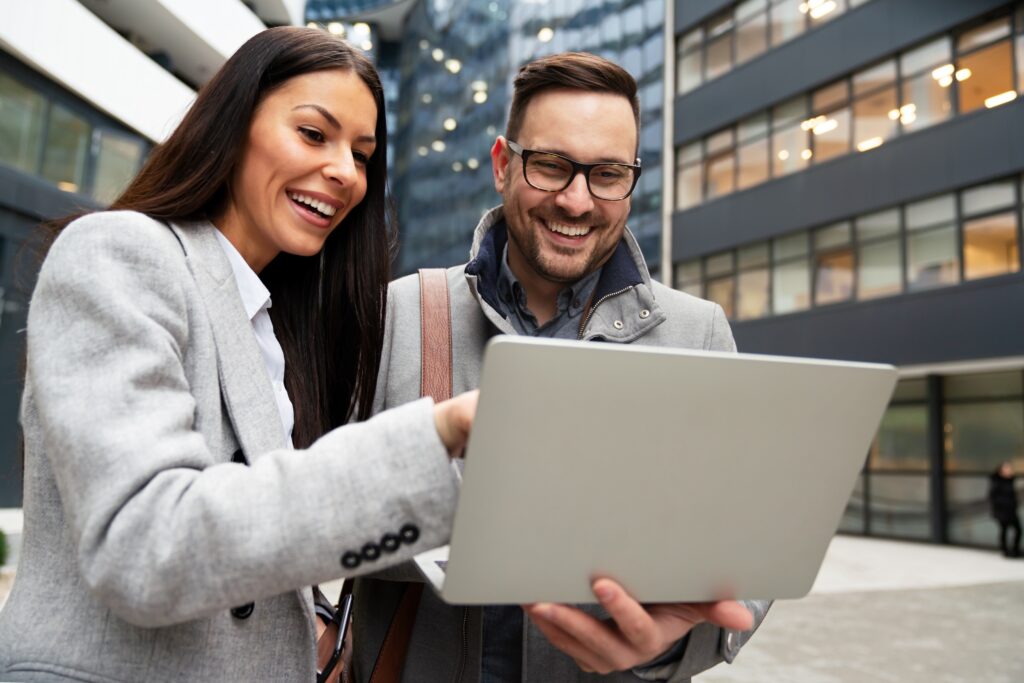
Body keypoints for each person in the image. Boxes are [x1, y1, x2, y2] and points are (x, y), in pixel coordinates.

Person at [0, 27, 477, 682]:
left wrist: (309, 620)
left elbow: (255, 530)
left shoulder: (274, 324)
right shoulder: (119, 254)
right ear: (232, 126)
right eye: (314, 134)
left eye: (363, 155)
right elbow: (146, 546)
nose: (345, 172)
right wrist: (433, 437)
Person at [354, 52, 769, 682]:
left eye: (606, 174)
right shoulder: (398, 314)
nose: (577, 201)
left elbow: (748, 549)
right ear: (502, 165)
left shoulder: (699, 333)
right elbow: (309, 507)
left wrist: (664, 643)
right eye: (551, 166)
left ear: (631, 180)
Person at [989, 461, 1021, 558]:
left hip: (1012, 511)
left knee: (1018, 530)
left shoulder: (1011, 480)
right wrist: (1004, 504)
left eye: (1010, 468)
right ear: (1001, 470)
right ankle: (1005, 550)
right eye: (1007, 468)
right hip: (1002, 511)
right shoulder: (997, 482)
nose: (1009, 470)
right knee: (1004, 530)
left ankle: (1015, 550)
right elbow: (993, 497)